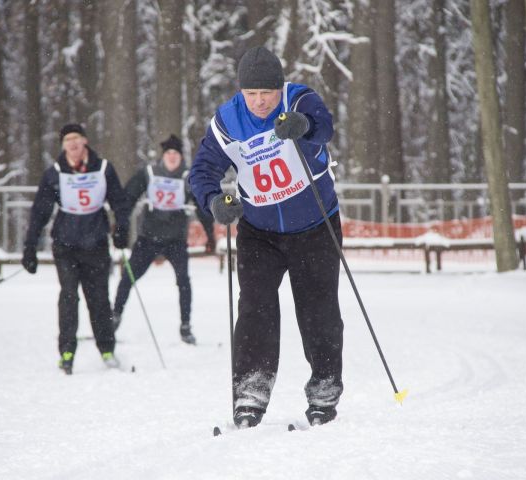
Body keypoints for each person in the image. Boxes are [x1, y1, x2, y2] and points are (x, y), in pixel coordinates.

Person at [188, 46, 344, 427]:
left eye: (266, 94)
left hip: (315, 225)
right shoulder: (227, 120)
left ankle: (324, 392)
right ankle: (251, 394)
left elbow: (324, 125)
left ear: (279, 88)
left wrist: (303, 126)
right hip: (260, 233)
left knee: (318, 309)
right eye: (251, 94)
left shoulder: (298, 99)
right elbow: (202, 171)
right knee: (255, 307)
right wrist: (214, 201)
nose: (259, 102)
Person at [22, 123, 130, 375]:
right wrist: (30, 247)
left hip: (96, 244)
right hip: (66, 245)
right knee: (69, 296)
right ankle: (67, 352)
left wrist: (122, 230)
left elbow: (120, 202)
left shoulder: (103, 169)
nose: (72, 144)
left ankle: (106, 348)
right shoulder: (55, 172)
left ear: (85, 142)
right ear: (63, 145)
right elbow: (40, 212)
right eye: (67, 140)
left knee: (99, 300)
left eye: (76, 139)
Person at [113, 134, 215, 345]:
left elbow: (202, 207)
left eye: (175, 153)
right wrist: (121, 228)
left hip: (175, 239)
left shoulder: (188, 177)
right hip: (148, 238)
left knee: (184, 281)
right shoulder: (149, 173)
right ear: (163, 156)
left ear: (181, 157)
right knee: (128, 278)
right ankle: (114, 318)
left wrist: (210, 235)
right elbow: (128, 198)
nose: (171, 157)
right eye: (168, 153)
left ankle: (185, 326)